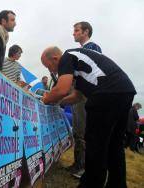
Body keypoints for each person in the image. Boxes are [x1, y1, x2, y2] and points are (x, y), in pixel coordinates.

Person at [41, 46, 136, 188]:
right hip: (125, 90)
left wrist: (46, 99)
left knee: (95, 144)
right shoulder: (80, 65)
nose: (51, 71)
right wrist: (58, 102)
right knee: (114, 145)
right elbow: (77, 96)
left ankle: (90, 184)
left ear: (55, 58)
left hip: (105, 94)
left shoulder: (66, 57)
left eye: (49, 66)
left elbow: (62, 89)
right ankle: (117, 184)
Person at [69, 21, 102, 178]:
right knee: (77, 130)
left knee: (82, 131)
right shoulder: (82, 49)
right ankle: (78, 164)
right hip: (79, 93)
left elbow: (89, 73)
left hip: (85, 94)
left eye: (76, 30)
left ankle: (83, 169)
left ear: (86, 32)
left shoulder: (92, 48)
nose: (73, 33)